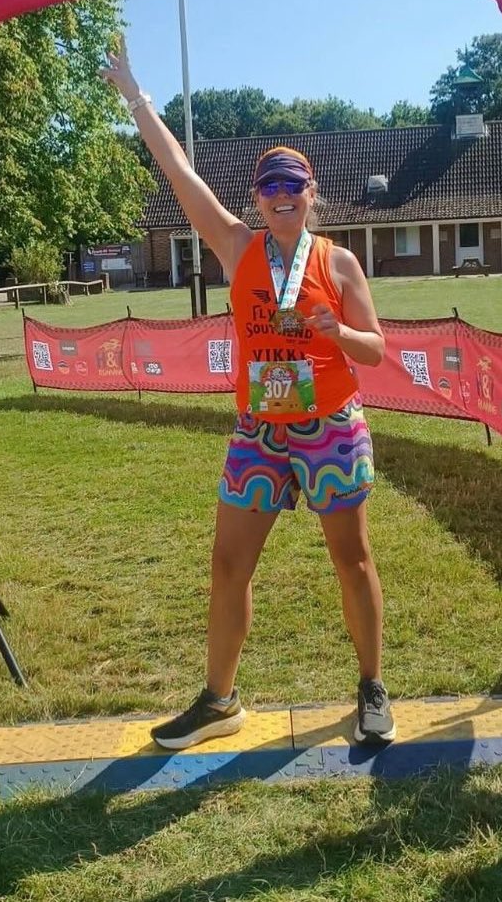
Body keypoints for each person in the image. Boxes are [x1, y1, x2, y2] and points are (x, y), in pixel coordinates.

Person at [101, 40, 395, 750]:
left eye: (293, 184)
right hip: (260, 430)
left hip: (329, 426)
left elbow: (377, 349)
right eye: (268, 186)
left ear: (312, 193)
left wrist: (337, 331)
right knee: (229, 564)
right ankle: (219, 700)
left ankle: (371, 687)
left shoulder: (338, 262)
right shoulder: (238, 248)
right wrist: (137, 99)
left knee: (352, 559)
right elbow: (178, 172)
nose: (281, 194)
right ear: (256, 198)